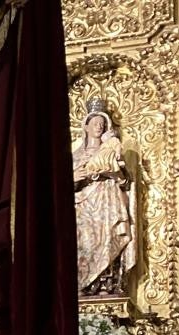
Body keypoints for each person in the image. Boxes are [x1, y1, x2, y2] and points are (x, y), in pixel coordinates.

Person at [73, 98, 135, 294]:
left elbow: (125, 183)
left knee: (107, 240)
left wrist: (113, 173)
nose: (98, 127)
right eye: (94, 123)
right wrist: (74, 178)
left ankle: (106, 284)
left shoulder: (111, 151)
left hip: (107, 204)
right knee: (85, 242)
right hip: (83, 208)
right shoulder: (75, 156)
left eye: (102, 124)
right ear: (86, 126)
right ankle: (83, 284)